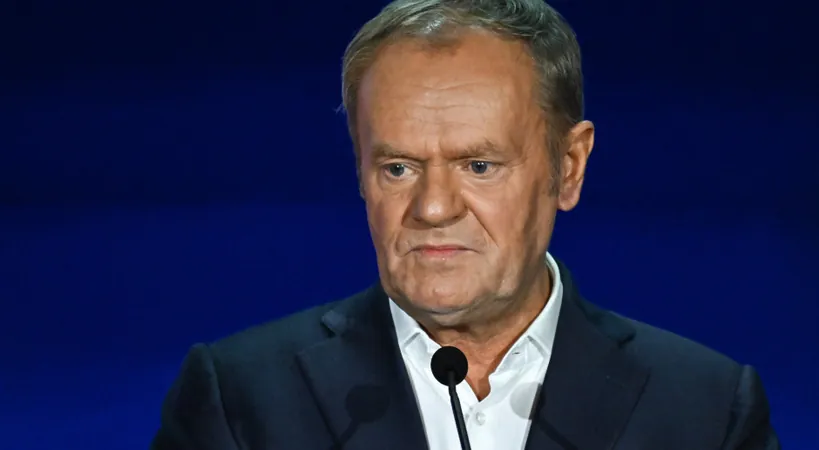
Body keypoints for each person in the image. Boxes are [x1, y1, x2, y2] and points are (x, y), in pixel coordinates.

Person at [150, 1, 779, 449]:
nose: (432, 208)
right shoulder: (240, 400)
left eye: (479, 165)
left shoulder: (705, 411)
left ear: (568, 167)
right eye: (398, 168)